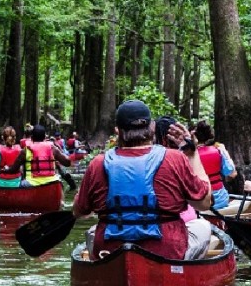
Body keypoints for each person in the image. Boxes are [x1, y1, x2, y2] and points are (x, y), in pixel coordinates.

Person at [72, 100, 213, 261]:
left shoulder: (97, 163)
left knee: (92, 231)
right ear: (152, 127)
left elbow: (79, 211)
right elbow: (204, 203)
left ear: (117, 130)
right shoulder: (175, 158)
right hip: (166, 252)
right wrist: (192, 154)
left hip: (111, 251)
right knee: (203, 226)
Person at [3, 124, 72, 186]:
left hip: (31, 184)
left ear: (32, 137)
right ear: (45, 137)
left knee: (20, 184)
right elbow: (67, 162)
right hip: (52, 182)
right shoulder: (52, 148)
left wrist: (4, 170)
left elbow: (14, 169)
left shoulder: (26, 150)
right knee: (59, 182)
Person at [194, 120, 237, 210]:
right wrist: (225, 152)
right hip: (221, 198)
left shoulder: (191, 156)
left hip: (201, 199)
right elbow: (230, 172)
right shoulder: (218, 150)